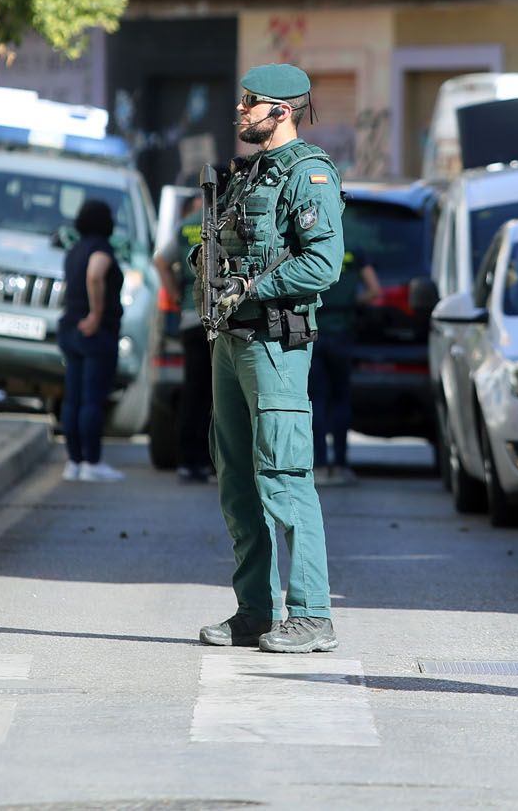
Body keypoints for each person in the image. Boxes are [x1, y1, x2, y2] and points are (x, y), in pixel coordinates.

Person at [197, 64, 345, 655]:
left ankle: (311, 614)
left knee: (283, 478)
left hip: (275, 345)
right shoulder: (248, 175)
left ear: (282, 110)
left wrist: (251, 288)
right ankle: (254, 611)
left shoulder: (308, 175)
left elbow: (323, 264)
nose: (240, 111)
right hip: (231, 344)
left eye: (250, 103)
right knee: (236, 482)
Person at [60, 199, 126, 482]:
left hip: (70, 328)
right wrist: (97, 314)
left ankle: (74, 461)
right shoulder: (101, 248)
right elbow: (95, 275)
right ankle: (92, 462)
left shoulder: (74, 249)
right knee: (92, 400)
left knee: (72, 399)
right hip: (95, 333)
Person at [154, 192, 214, 483]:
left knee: (192, 391)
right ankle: (210, 461)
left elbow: (161, 261)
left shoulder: (185, 226)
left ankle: (187, 461)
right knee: (218, 395)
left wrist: (177, 295)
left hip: (191, 317)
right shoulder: (223, 222)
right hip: (219, 320)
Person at [310, 260, 379, 486]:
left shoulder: (312, 242)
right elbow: (374, 290)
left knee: (316, 401)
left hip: (314, 332)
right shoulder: (353, 250)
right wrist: (350, 301)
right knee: (340, 400)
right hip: (342, 335)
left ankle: (319, 464)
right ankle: (340, 464)